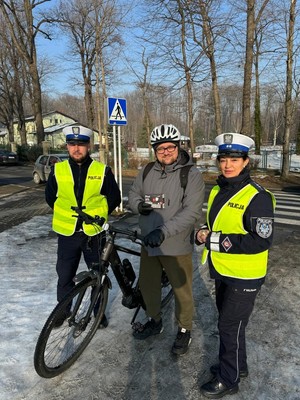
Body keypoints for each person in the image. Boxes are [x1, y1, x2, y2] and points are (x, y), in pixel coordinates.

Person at [196, 133, 275, 398]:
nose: (228, 164)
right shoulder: (219, 189)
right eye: (223, 159)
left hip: (245, 275)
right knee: (232, 325)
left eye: (234, 159)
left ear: (246, 161)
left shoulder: (258, 196)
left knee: (229, 326)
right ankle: (237, 366)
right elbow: (220, 224)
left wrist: (214, 240)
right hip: (223, 271)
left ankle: (228, 379)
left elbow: (261, 241)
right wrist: (204, 231)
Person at [128, 124, 205, 355]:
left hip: (175, 245)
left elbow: (191, 212)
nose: (166, 152)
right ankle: (155, 320)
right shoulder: (147, 170)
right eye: (160, 149)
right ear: (154, 150)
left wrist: (163, 231)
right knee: (148, 285)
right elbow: (133, 194)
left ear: (178, 146)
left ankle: (184, 330)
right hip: (149, 243)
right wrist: (137, 206)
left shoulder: (190, 174)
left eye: (170, 147)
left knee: (182, 290)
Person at [45, 125, 121, 327]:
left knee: (98, 276)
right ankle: (63, 311)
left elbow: (114, 197)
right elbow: (50, 197)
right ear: (67, 146)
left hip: (93, 234)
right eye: (72, 144)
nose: (76, 148)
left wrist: (98, 216)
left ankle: (98, 312)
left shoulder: (102, 170)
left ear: (89, 146)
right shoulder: (58, 170)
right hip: (67, 234)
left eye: (81, 144)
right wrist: (68, 216)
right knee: (65, 276)